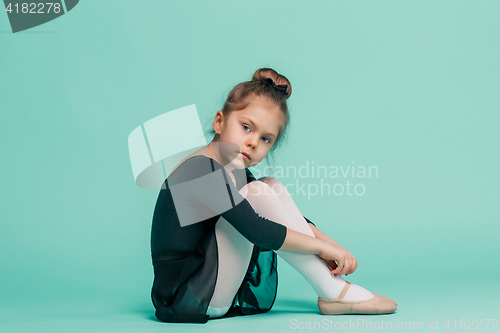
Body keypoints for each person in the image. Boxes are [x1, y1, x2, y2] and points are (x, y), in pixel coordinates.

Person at [150, 68, 397, 324]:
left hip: (210, 285)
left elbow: (286, 215)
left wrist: (332, 245)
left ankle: (334, 289)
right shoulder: (200, 170)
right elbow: (256, 229)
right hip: (188, 297)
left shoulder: (231, 171)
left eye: (265, 138)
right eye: (246, 127)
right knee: (259, 192)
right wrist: (322, 247)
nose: (253, 142)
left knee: (270, 186)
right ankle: (334, 291)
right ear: (219, 122)